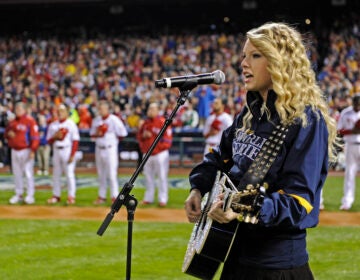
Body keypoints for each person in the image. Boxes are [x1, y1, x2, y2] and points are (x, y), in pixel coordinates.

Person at [184, 22, 339, 280]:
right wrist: (198, 188)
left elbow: (299, 202)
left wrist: (244, 208)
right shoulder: (249, 114)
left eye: (255, 55)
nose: (244, 63)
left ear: (280, 62)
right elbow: (218, 158)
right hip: (237, 257)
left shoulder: (306, 121)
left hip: (276, 266)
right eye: (244, 56)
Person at [90, 100, 128, 205]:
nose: (100, 110)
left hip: (110, 149)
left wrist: (113, 141)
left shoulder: (114, 120)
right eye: (99, 109)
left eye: (102, 108)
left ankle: (114, 197)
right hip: (99, 148)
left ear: (107, 109)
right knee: (101, 174)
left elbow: (123, 133)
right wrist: (98, 133)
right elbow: (92, 135)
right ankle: (101, 196)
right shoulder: (96, 120)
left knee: (112, 174)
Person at [137, 102, 173, 207]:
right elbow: (139, 137)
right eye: (149, 109)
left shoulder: (163, 122)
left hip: (160, 154)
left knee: (162, 176)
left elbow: (168, 140)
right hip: (147, 154)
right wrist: (143, 136)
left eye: (152, 109)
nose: (150, 111)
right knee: (148, 177)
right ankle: (149, 198)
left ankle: (163, 199)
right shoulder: (145, 123)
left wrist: (157, 147)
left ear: (157, 111)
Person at [4, 102, 40, 204]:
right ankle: (18, 194)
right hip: (14, 150)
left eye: (19, 109)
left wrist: (33, 150)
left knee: (28, 173)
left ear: (24, 110)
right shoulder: (12, 122)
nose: (17, 111)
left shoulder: (29, 121)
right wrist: (8, 134)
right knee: (17, 174)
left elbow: (35, 137)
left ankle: (30, 195)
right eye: (16, 109)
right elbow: (6, 134)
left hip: (26, 150)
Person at [46, 104, 80, 205]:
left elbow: (75, 140)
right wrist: (54, 137)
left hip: (67, 149)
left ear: (66, 112)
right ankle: (56, 195)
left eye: (62, 111)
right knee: (56, 174)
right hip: (56, 150)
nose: (60, 113)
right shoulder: (53, 125)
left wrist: (72, 154)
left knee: (69, 174)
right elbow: (48, 140)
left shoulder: (71, 124)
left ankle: (71, 196)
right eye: (59, 111)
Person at [336, 94, 360, 210]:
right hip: (350, 146)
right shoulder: (346, 113)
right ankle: (347, 202)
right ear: (353, 103)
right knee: (349, 173)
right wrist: (352, 131)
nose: (358, 107)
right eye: (356, 104)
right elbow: (339, 130)